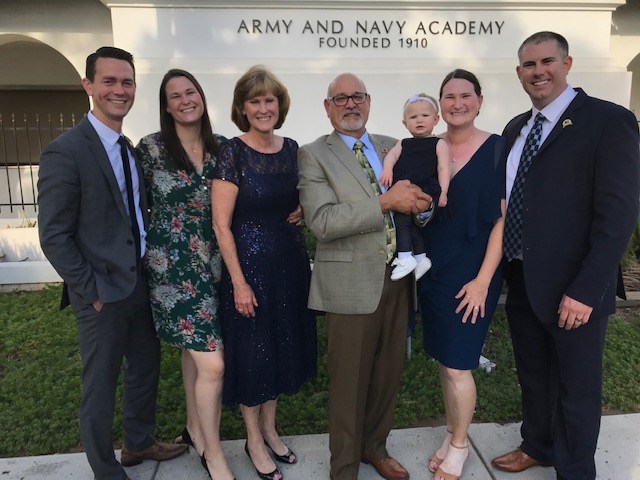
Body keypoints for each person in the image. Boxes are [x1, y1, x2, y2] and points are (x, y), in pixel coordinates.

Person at [491, 31, 640, 480]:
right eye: (529, 66)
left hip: (574, 284)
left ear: (567, 63)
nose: (538, 72)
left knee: (577, 387)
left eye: (547, 62)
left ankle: (575, 470)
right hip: (521, 276)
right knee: (534, 374)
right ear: (519, 74)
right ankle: (538, 444)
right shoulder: (517, 127)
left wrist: (586, 289)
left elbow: (617, 215)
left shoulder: (608, 121)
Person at [37, 47, 187, 480]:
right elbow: (54, 236)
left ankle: (139, 443)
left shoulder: (129, 148)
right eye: (109, 81)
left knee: (145, 367)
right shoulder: (65, 152)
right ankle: (105, 468)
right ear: (88, 86)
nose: (119, 90)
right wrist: (92, 291)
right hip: (101, 291)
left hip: (140, 280)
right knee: (100, 385)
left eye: (127, 82)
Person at [297, 72, 431, 480]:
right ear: (327, 107)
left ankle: (375, 448)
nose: (351, 104)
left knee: (388, 375)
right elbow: (322, 220)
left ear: (370, 102)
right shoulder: (314, 153)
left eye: (358, 97)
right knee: (348, 383)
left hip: (398, 280)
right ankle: (344, 468)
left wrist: (423, 207)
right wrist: (388, 201)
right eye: (341, 98)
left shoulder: (396, 145)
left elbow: (423, 203)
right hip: (349, 285)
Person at [211, 65, 317, 480]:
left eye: (269, 99)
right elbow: (221, 224)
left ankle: (271, 430)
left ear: (280, 104)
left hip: (289, 268)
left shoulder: (292, 149)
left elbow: (308, 196)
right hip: (249, 272)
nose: (263, 107)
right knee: (254, 356)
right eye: (254, 101)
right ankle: (253, 438)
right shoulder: (232, 153)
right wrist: (238, 282)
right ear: (242, 107)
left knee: (280, 348)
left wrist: (306, 209)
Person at [135, 69, 234, 480]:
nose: (184, 100)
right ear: (166, 105)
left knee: (194, 355)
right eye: (174, 96)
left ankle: (195, 430)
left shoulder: (223, 148)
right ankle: (213, 454)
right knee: (212, 364)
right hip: (172, 272)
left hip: (213, 264)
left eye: (189, 91)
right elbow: (129, 203)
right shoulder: (151, 149)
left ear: (202, 96)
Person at [417, 69, 506, 480]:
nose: (457, 103)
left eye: (465, 95)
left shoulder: (497, 149)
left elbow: (504, 222)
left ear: (479, 101)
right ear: (439, 105)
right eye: (448, 97)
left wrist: (484, 282)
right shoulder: (425, 148)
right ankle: (456, 432)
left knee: (459, 364)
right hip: (434, 269)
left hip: (474, 273)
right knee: (443, 358)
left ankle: (458, 445)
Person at [379, 93, 451, 281]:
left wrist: (443, 191)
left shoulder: (439, 143)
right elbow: (391, 156)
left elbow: (444, 168)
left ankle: (404, 257)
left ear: (436, 119)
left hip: (425, 189)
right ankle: (420, 258)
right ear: (405, 123)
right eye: (413, 117)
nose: (419, 120)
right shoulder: (403, 143)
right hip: (405, 188)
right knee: (411, 226)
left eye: (425, 116)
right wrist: (387, 169)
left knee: (402, 222)